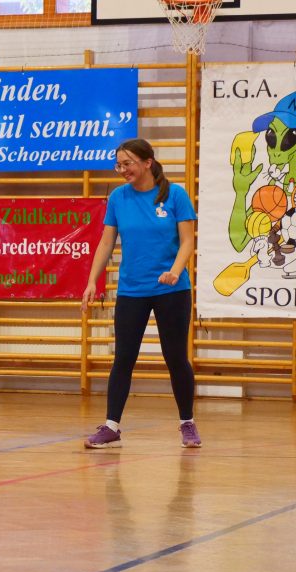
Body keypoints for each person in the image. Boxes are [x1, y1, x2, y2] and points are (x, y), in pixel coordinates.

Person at [80, 138, 201, 450]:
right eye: (119, 165)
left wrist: (175, 270)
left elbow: (187, 240)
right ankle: (111, 427)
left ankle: (187, 422)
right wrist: (93, 280)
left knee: (175, 357)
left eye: (128, 163)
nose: (122, 170)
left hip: (172, 290)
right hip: (132, 290)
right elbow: (106, 242)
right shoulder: (118, 198)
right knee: (123, 358)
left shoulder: (175, 195)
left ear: (148, 162)